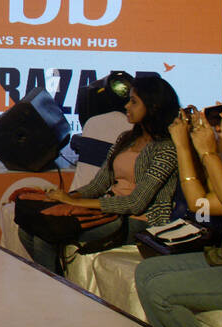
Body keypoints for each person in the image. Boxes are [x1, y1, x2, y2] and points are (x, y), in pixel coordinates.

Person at [18, 75, 179, 274]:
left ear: (153, 107)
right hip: (110, 210)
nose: (127, 106)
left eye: (134, 102)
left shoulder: (167, 149)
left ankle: (53, 292)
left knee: (46, 235)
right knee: (27, 227)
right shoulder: (126, 138)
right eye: (128, 100)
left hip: (139, 221)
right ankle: (54, 284)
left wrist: (75, 203)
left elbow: (136, 203)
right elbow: (98, 185)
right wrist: (66, 198)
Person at [135, 102, 222, 327]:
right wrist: (187, 145)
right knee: (145, 272)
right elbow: (201, 201)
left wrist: (206, 151)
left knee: (159, 291)